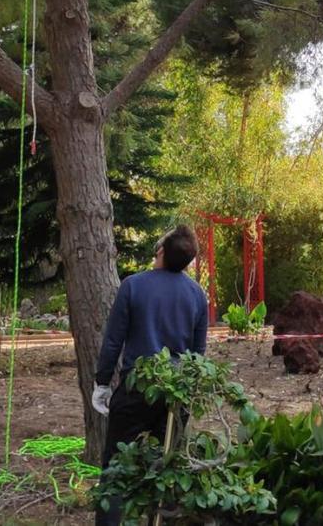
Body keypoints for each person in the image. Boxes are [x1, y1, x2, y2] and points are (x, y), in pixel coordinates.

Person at [91, 225, 209, 526]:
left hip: (135, 388)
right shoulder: (197, 295)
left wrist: (103, 382)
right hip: (175, 393)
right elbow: (198, 355)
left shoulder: (133, 286)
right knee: (169, 466)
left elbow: (113, 341)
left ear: (160, 251)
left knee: (115, 467)